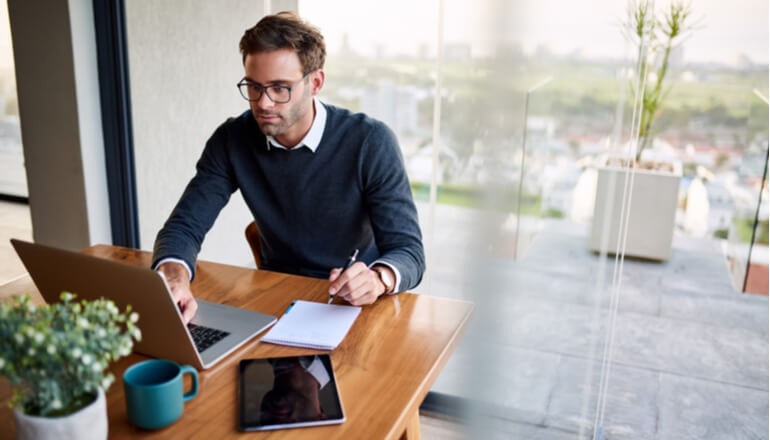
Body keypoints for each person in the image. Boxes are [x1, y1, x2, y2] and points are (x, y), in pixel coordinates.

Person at [151, 11, 425, 323]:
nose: (263, 103)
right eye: (253, 87)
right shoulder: (232, 139)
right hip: (277, 300)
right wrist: (173, 278)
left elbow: (409, 252)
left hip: (355, 306)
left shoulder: (370, 142)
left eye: (280, 88)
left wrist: (378, 279)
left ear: (316, 82)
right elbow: (184, 226)